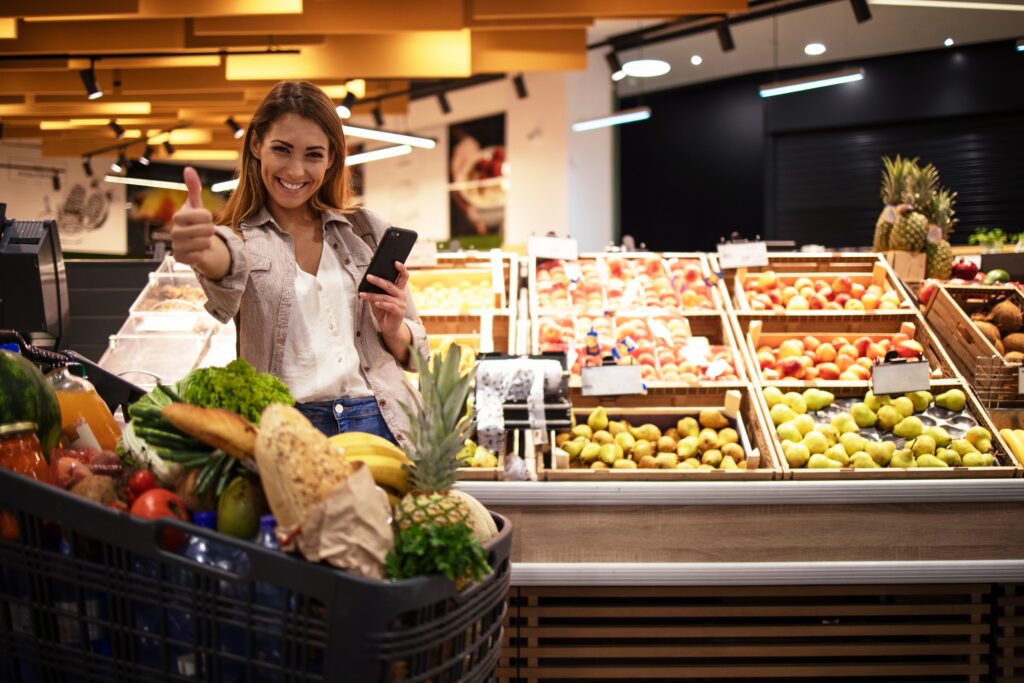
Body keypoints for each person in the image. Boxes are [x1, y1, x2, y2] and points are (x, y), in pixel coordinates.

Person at [170, 81, 428, 445]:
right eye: (282, 149)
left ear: (331, 158)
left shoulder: (366, 230)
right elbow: (223, 261)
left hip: (384, 420)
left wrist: (393, 330)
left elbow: (417, 355)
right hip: (290, 428)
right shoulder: (241, 238)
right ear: (257, 144)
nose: (295, 171)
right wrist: (199, 247)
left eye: (313, 155)